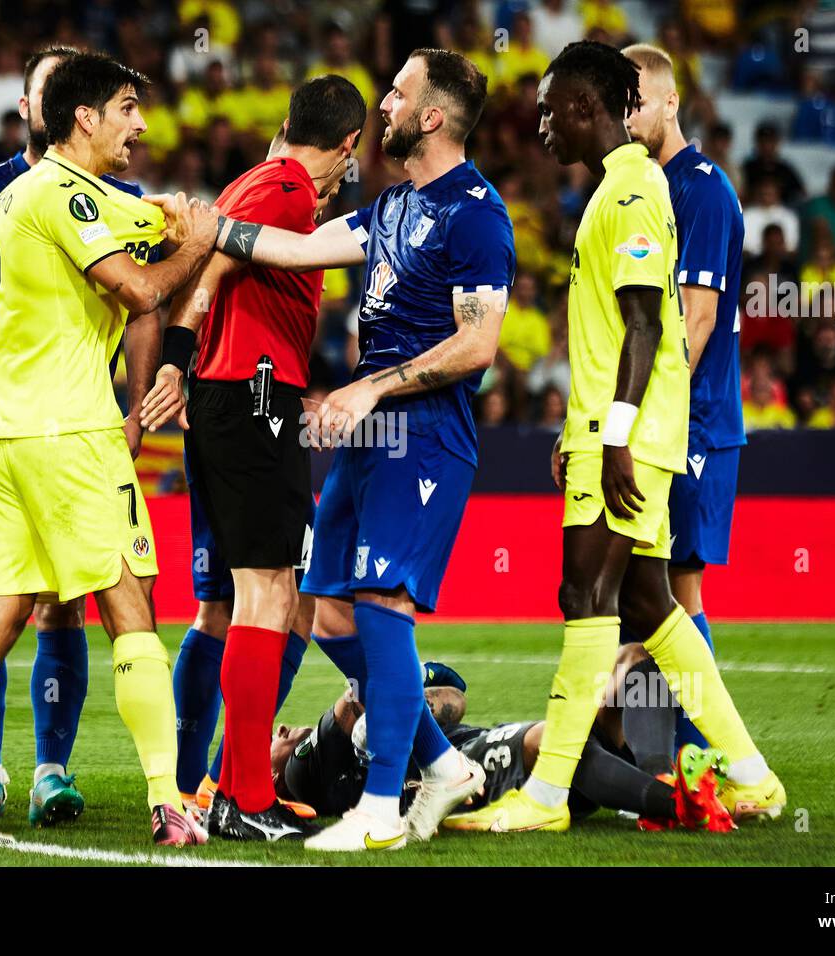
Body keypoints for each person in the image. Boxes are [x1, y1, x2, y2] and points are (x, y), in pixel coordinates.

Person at [449, 41, 783, 835]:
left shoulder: (632, 191)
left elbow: (642, 326)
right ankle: (752, 775)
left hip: (630, 435)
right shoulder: (625, 187)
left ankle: (546, 794)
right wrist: (580, 426)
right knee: (650, 605)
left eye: (548, 109)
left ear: (588, 107)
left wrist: (617, 436)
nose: (539, 125)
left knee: (585, 597)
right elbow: (616, 332)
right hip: (624, 428)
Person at [0, 51, 220, 848]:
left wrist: (177, 220)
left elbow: (147, 223)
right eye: (126, 109)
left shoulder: (19, 196)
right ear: (85, 119)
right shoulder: (66, 197)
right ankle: (169, 799)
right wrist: (203, 238)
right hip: (68, 438)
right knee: (130, 608)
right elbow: (145, 290)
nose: (140, 125)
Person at [198, 48, 514, 851]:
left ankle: (378, 810)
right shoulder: (392, 207)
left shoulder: (476, 213)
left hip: (425, 434)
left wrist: (373, 387)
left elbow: (478, 345)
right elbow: (293, 250)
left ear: (432, 117)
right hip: (366, 435)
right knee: (325, 605)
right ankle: (440, 764)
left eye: (398, 95)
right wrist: (200, 225)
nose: (382, 107)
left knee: (381, 604)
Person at [138, 76, 366, 841]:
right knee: (271, 592)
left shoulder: (253, 179)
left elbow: (207, 264)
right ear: (348, 144)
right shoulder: (291, 191)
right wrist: (175, 356)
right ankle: (240, 795)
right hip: (256, 396)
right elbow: (212, 267)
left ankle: (234, 789)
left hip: (229, 395)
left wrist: (177, 360)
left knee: (249, 597)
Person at [623, 43, 747, 754]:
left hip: (692, 422)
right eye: (621, 102)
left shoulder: (699, 188)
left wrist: (640, 414)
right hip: (664, 416)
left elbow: (695, 319)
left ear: (673, 102)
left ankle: (708, 754)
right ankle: (661, 756)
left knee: (677, 590)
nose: (629, 113)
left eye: (639, 99)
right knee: (647, 593)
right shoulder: (641, 185)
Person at [274, 649, 734, 833]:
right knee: (552, 742)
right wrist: (389, 686)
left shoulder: (386, 724)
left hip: (471, 746)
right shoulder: (300, 771)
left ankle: (658, 773)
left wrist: (410, 689)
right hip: (463, 776)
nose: (278, 729)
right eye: (266, 741)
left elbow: (454, 694)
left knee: (634, 661)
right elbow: (355, 696)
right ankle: (675, 803)